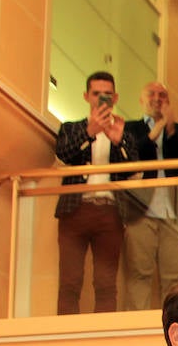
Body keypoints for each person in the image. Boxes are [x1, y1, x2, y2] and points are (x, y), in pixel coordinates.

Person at [54, 71, 137, 315]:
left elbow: (135, 170)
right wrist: (90, 132)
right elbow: (63, 155)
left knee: (106, 282)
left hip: (110, 213)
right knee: (69, 280)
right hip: (74, 210)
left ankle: (103, 335)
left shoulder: (124, 133)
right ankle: (64, 333)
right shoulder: (72, 128)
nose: (102, 99)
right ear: (86, 96)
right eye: (97, 94)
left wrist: (119, 142)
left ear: (116, 98)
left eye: (107, 95)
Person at [122, 81, 178, 311]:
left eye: (163, 95)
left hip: (174, 210)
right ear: (141, 99)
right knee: (139, 272)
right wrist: (155, 131)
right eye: (151, 94)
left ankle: (171, 325)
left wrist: (170, 127)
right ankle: (136, 328)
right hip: (140, 208)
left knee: (173, 277)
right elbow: (132, 156)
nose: (157, 98)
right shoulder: (130, 128)